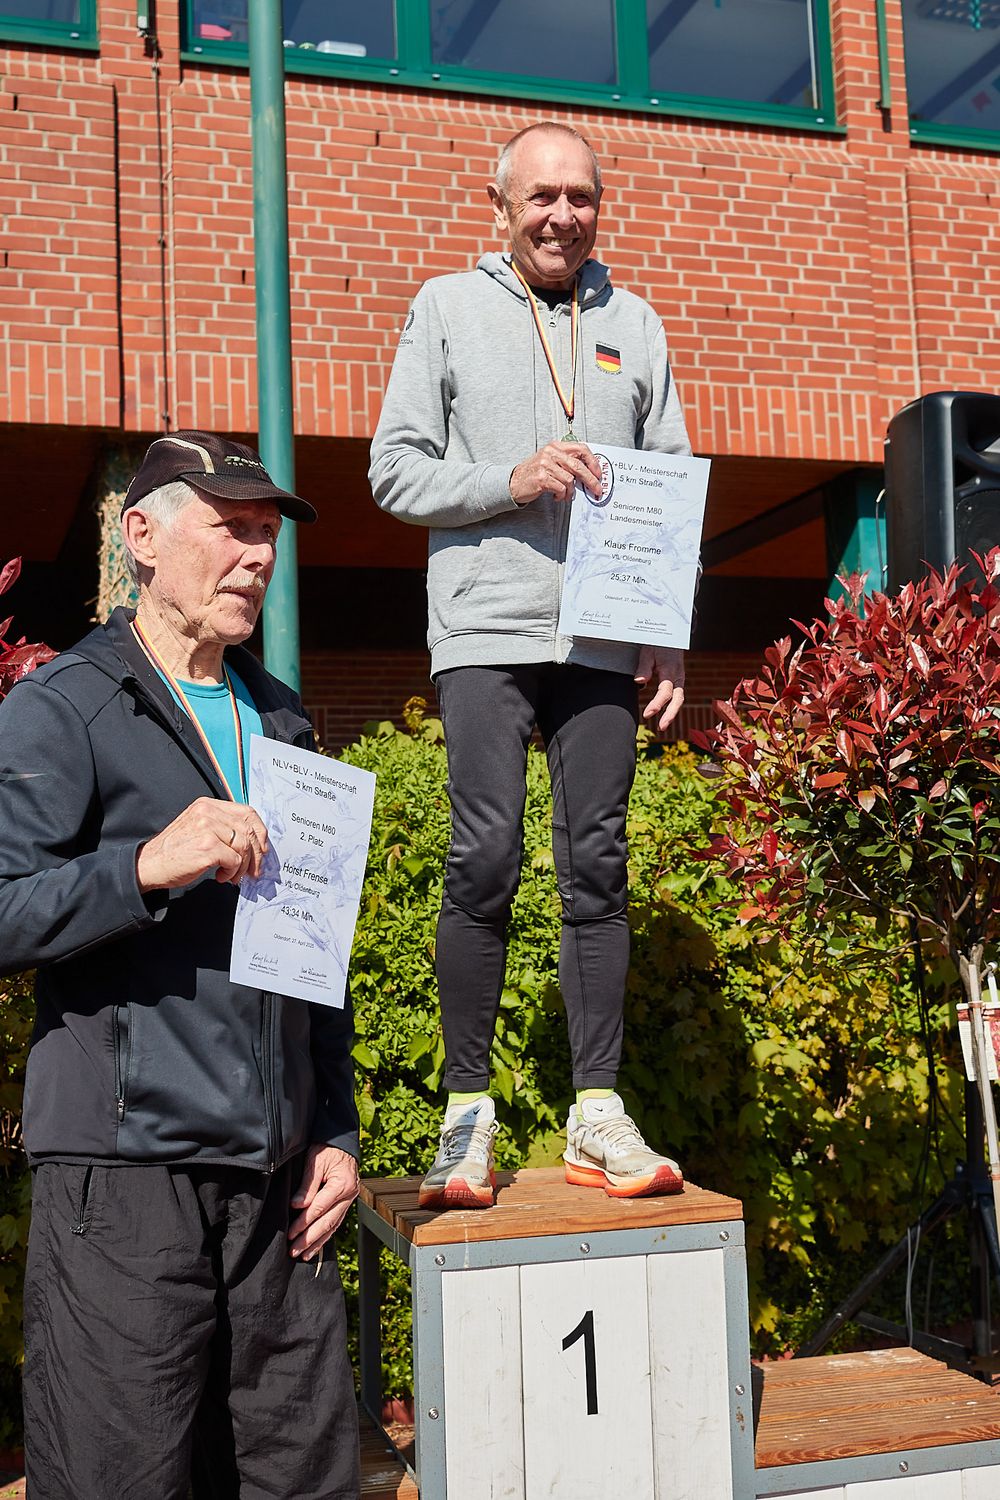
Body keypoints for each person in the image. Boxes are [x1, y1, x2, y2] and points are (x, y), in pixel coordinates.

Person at [0, 431, 360, 1498]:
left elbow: (314, 948)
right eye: (230, 526)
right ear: (143, 537)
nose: (258, 554)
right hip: (124, 1187)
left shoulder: (283, 718)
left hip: (280, 1196)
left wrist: (334, 1128)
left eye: (268, 533)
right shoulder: (61, 706)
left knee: (301, 1480)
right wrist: (144, 868)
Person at [370, 121, 690, 1211]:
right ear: (499, 203)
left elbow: (668, 487)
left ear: (600, 206)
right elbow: (393, 472)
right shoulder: (445, 308)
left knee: (597, 864)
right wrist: (509, 479)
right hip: (485, 630)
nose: (561, 214)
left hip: (604, 638)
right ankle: (466, 1114)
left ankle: (597, 1109)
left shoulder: (636, 323)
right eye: (541, 195)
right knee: (486, 857)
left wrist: (666, 632)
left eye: (580, 196)